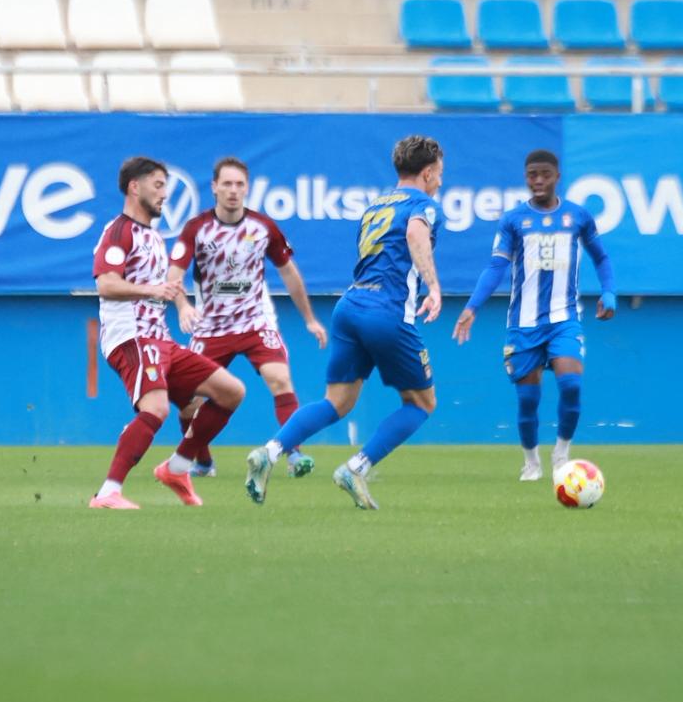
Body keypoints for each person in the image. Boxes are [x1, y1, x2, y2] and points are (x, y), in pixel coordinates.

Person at [244, 136, 445, 511]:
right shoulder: (424, 204)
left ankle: (269, 452)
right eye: (440, 174)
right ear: (429, 172)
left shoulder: (376, 206)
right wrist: (433, 287)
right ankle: (356, 468)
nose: (440, 181)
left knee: (336, 401)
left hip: (350, 306)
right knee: (422, 403)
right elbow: (415, 233)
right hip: (387, 311)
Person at [89, 156, 246, 510]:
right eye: (158, 185)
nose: (164, 194)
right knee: (156, 408)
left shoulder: (154, 236)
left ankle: (177, 468)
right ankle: (108, 493)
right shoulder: (120, 231)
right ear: (135, 187)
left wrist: (179, 302)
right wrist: (151, 290)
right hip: (132, 337)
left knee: (231, 392)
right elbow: (107, 284)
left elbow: (160, 288)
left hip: (160, 339)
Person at [453, 150, 616, 482]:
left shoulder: (578, 217)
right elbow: (496, 267)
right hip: (523, 325)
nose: (538, 180)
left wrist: (609, 292)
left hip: (564, 319)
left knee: (571, 384)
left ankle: (561, 454)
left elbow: (601, 257)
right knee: (528, 399)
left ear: (557, 176)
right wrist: (472, 307)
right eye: (532, 175)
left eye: (545, 174)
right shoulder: (513, 220)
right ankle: (531, 462)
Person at [169, 156, 328, 480]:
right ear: (214, 187)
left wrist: (310, 319)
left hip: (255, 322)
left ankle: (294, 454)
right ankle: (202, 462)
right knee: (188, 401)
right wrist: (183, 306)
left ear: (247, 188)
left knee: (280, 379)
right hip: (211, 328)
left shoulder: (262, 227)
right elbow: (173, 275)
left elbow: (289, 272)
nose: (233, 190)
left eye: (239, 184)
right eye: (227, 184)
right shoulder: (197, 229)